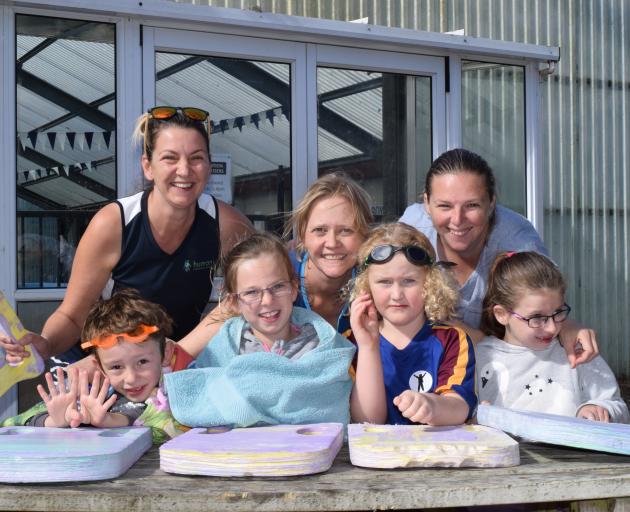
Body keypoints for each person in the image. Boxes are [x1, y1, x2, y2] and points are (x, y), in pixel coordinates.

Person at [1, 106, 253, 366]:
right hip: (100, 363)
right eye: (170, 158)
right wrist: (46, 343)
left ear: (209, 166)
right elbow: (73, 317)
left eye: (196, 158)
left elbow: (272, 274)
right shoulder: (112, 224)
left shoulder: (226, 224)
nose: (184, 170)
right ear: (148, 166)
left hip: (168, 364)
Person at [400, 148, 598, 366]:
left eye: (472, 205)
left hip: (502, 366)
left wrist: (568, 326)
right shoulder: (411, 232)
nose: (457, 219)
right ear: (427, 203)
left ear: (491, 202)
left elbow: (545, 296)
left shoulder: (517, 239)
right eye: (444, 206)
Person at [164, 233, 356, 427]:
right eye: (251, 292)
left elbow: (333, 409)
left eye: (278, 286)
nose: (267, 301)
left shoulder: (324, 348)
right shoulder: (221, 350)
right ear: (234, 302)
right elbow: (202, 402)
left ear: (294, 289)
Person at [177, 172, 372, 357]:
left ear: (365, 234)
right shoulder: (273, 274)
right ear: (302, 234)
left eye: (346, 231)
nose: (331, 243)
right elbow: (184, 351)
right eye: (320, 230)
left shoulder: (378, 283)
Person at [2, 289, 194, 443]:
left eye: (142, 362)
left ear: (166, 354)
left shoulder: (180, 392)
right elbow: (16, 424)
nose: (131, 378)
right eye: (116, 367)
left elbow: (134, 415)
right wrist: (56, 420)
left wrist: (105, 421)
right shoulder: (93, 395)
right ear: (100, 368)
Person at [477, 252, 629, 423]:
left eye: (558, 312)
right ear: (502, 314)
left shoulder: (577, 353)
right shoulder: (479, 358)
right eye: (537, 317)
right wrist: (476, 418)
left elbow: (617, 406)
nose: (552, 327)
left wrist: (600, 409)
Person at [349, 222, 476, 426]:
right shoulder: (352, 341)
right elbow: (368, 419)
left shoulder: (450, 339)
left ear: (430, 284)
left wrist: (432, 406)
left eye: (409, 281)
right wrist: (368, 346)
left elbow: (460, 407)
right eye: (385, 282)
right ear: (366, 286)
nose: (397, 294)